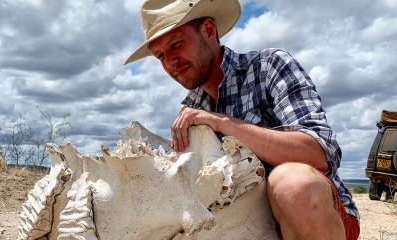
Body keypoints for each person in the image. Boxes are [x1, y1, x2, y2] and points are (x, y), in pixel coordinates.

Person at [124, 0, 360, 239]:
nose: (169, 62)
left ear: (208, 30)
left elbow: (319, 154)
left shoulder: (268, 67)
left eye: (176, 44)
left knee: (293, 183)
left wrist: (222, 123)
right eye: (160, 55)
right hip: (244, 225)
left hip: (313, 216)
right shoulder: (190, 109)